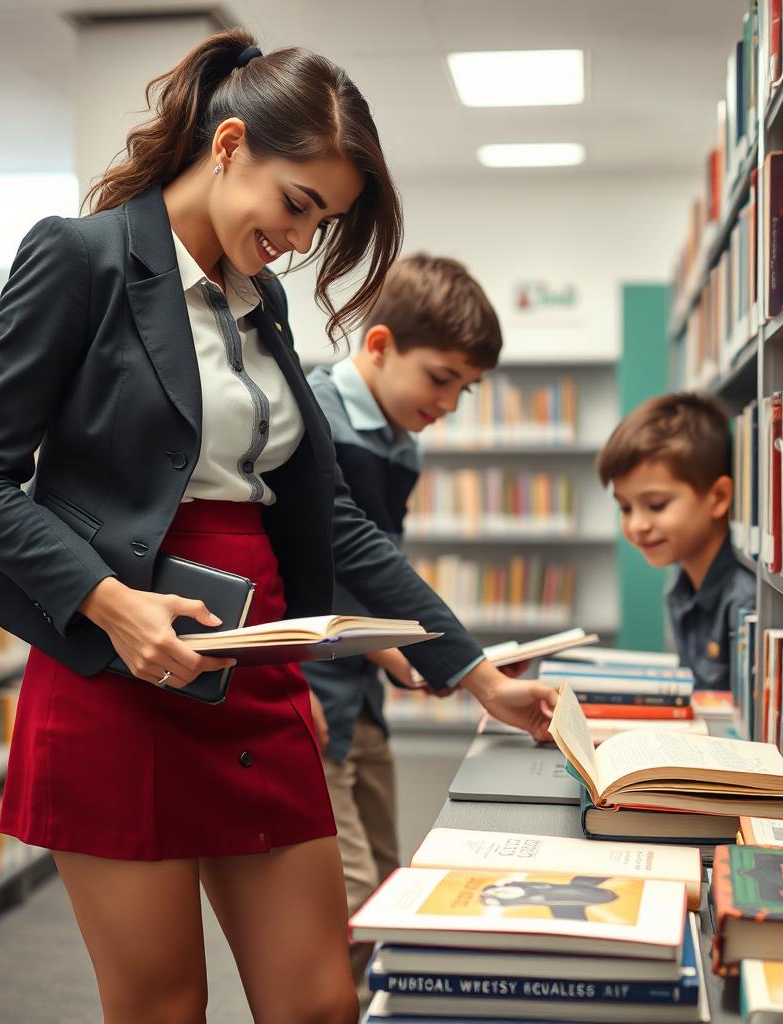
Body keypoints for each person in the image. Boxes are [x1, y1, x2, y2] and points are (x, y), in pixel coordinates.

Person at [0, 28, 557, 1024]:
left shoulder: (259, 301)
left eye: (325, 222)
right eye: (298, 205)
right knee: (162, 1007)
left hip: (258, 670)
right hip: (119, 665)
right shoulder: (81, 257)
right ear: (228, 147)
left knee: (317, 1000)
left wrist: (470, 667)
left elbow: (332, 516)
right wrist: (112, 606)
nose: (302, 239)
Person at [303, 253, 504, 1004]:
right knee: (348, 893)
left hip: (360, 681)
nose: (450, 402)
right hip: (310, 681)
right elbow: (321, 553)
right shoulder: (313, 415)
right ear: (380, 345)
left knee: (388, 877)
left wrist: (394, 652)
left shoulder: (399, 435)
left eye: (466, 388)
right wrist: (465, 665)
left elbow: (371, 562)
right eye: (441, 378)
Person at [594, 392, 755, 690]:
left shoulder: (746, 605)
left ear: (718, 497)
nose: (637, 525)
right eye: (625, 508)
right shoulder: (680, 586)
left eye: (656, 504)